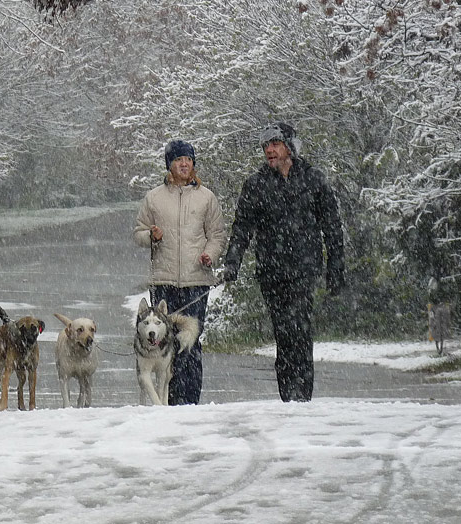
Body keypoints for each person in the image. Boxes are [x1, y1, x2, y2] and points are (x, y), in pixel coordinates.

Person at [221, 122, 345, 402]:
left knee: (300, 330)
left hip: (304, 269)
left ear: (290, 147)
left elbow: (333, 227)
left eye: (275, 144)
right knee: (284, 335)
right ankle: (288, 397)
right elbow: (242, 228)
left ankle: (303, 397)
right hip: (271, 272)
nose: (269, 150)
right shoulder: (256, 184)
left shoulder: (313, 179)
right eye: (266, 146)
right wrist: (232, 263)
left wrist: (335, 269)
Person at [133, 138, 225, 404]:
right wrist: (151, 235)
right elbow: (138, 233)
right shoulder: (154, 198)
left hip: (197, 281)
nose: (184, 164)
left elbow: (217, 235)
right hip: (163, 281)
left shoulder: (207, 197)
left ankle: (190, 401)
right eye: (178, 160)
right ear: (169, 165)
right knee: (162, 343)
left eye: (188, 159)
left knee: (190, 343)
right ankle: (168, 400)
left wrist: (210, 254)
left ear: (193, 163)